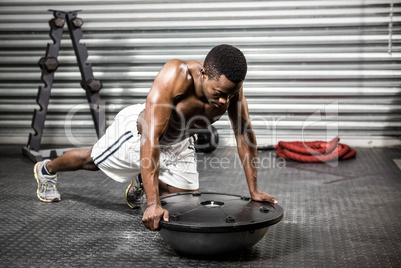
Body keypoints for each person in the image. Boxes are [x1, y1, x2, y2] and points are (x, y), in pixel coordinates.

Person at [33, 44, 278, 231]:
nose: (225, 101)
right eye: (220, 93)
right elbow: (150, 139)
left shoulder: (230, 88)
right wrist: (152, 204)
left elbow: (244, 135)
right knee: (91, 161)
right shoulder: (176, 75)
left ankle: (144, 179)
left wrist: (254, 189)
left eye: (231, 94)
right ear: (204, 74)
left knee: (183, 206)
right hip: (138, 132)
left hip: (179, 141)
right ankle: (47, 169)